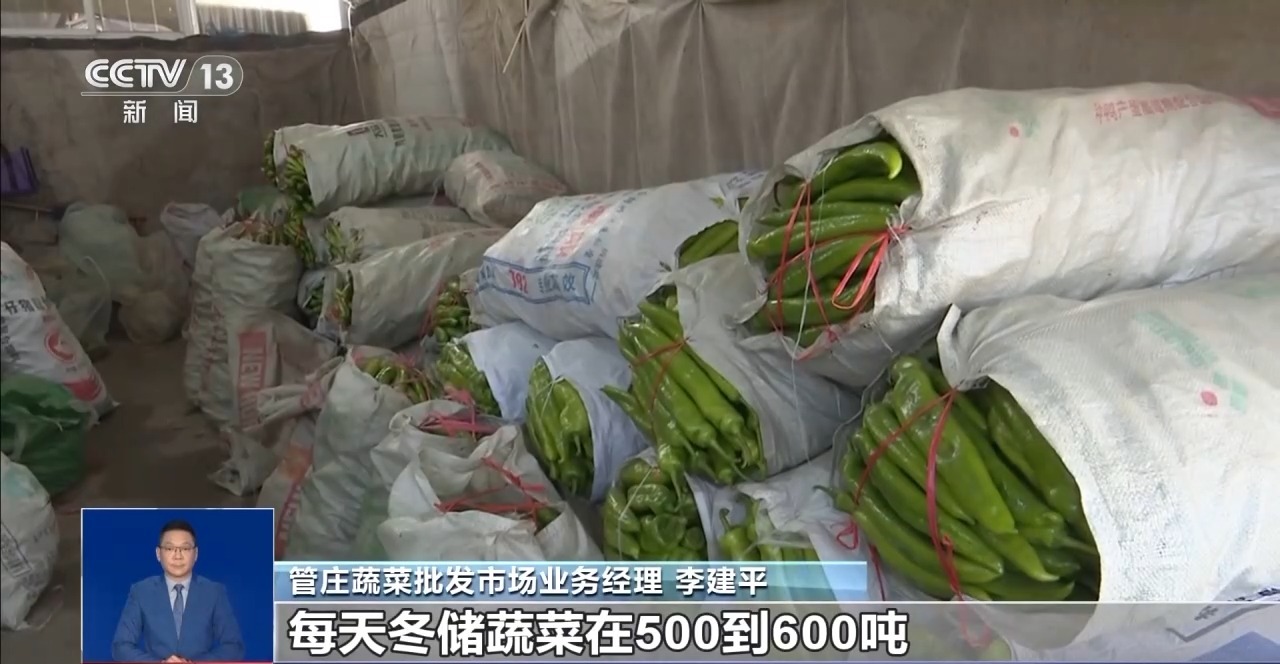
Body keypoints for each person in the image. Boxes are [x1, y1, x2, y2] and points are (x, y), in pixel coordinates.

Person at [111, 520, 245, 662]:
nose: (178, 555)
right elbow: (120, 647)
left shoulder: (214, 592)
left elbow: (234, 646)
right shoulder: (141, 591)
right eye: (170, 548)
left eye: (185, 548)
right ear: (158, 554)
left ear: (196, 554)